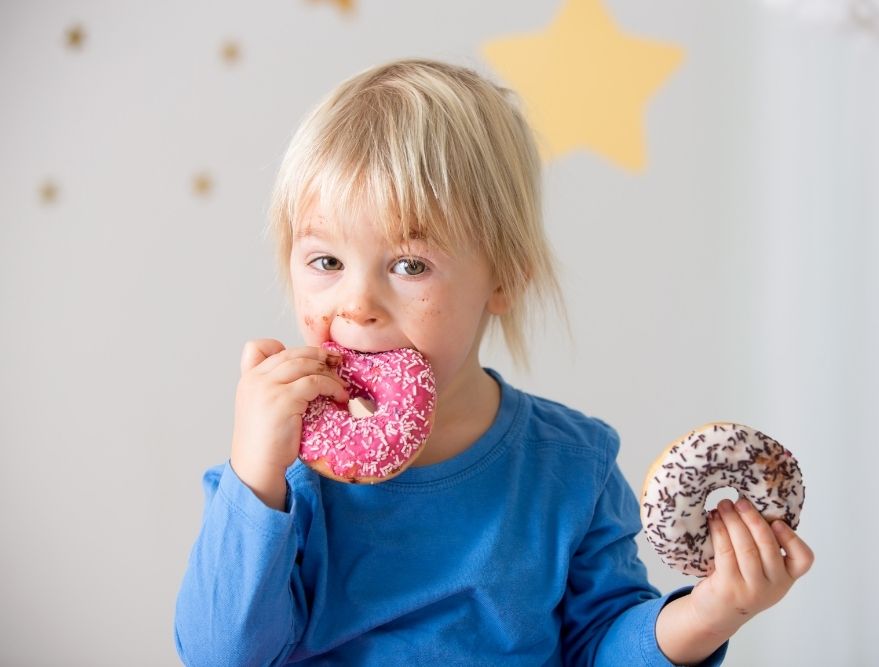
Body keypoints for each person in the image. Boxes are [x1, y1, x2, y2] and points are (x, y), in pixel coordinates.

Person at [173, 58, 814, 666]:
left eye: (409, 265)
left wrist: (710, 613)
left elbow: (601, 646)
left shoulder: (570, 466)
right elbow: (220, 653)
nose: (356, 303)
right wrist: (255, 475)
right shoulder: (282, 476)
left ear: (502, 279)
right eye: (326, 262)